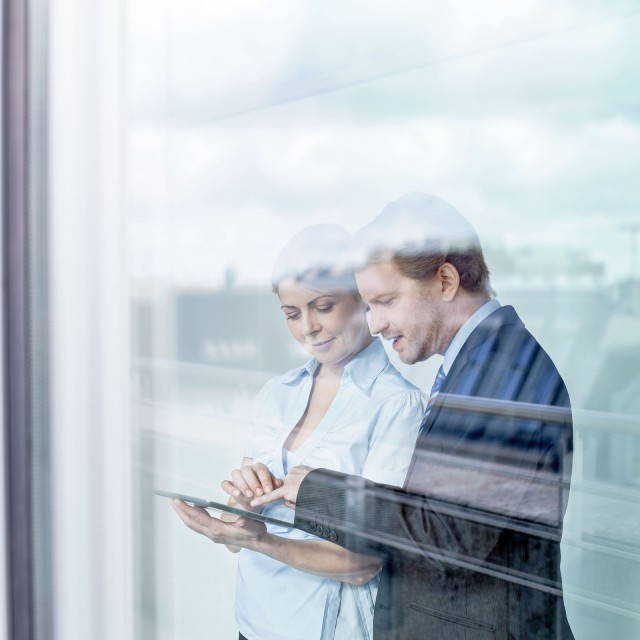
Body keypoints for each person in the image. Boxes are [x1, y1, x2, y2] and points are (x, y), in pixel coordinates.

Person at [251, 193, 575, 639]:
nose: (377, 324)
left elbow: (448, 533)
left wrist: (316, 490)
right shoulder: (481, 364)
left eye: (384, 301)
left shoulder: (505, 369)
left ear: (445, 280)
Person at [172, 224, 427, 640]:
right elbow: (240, 533)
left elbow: (366, 561)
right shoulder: (276, 394)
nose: (308, 327)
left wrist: (261, 541)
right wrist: (238, 512)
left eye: (323, 306)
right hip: (253, 624)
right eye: (292, 314)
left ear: (361, 297)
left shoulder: (397, 406)